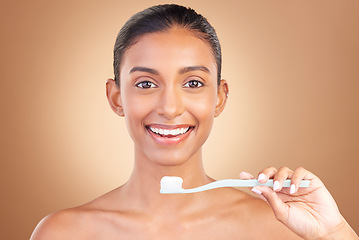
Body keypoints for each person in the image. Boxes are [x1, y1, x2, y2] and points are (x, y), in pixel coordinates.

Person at [30, 4, 358, 239]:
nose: (170, 108)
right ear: (116, 98)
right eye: (146, 84)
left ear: (219, 97)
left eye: (193, 83)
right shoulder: (63, 233)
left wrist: (335, 233)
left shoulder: (281, 227)